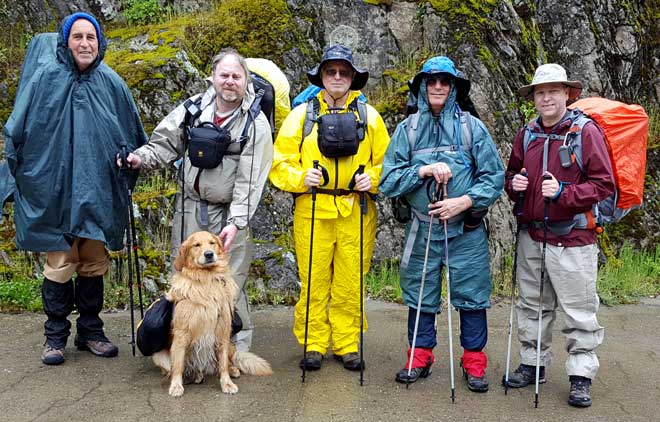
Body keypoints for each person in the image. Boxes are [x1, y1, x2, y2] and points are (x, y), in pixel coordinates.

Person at [3, 12, 147, 365]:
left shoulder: (111, 83)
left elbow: (130, 135)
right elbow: (19, 134)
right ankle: (54, 338)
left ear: (100, 43)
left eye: (91, 38)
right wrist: (26, 176)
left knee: (94, 262)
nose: (85, 44)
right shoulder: (45, 79)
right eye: (78, 37)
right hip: (55, 192)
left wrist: (127, 157)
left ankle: (91, 332)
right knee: (60, 262)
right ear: (66, 42)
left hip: (97, 191)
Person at [123, 48, 273, 353]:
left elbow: (251, 179)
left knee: (230, 282)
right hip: (189, 208)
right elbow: (165, 142)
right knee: (184, 277)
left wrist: (237, 222)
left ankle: (233, 351)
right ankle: (184, 347)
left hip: (229, 215)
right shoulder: (193, 110)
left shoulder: (254, 124)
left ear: (246, 81)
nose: (230, 82)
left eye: (236, 76)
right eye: (224, 75)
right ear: (213, 77)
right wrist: (139, 159)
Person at [379, 56, 504, 391]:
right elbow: (387, 181)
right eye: (431, 81)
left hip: (466, 229)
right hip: (422, 229)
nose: (437, 86)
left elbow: (494, 177)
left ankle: (474, 361)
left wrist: (464, 201)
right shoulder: (408, 130)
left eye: (444, 82)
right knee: (420, 294)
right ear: (422, 86)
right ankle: (419, 356)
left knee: (472, 295)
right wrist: (422, 171)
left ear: (453, 88)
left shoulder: (471, 127)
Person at [269, 44, 390, 371]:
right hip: (312, 209)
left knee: (350, 280)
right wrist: (301, 177)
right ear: (322, 76)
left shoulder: (370, 117)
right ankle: (313, 342)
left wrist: (373, 180)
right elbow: (279, 164)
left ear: (352, 78)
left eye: (344, 72)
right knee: (314, 278)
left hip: (356, 210)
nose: (337, 77)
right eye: (331, 72)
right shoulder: (302, 116)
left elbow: (388, 164)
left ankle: (347, 343)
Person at [503, 63, 615, 407]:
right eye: (541, 92)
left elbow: (603, 184)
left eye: (554, 91)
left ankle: (581, 375)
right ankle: (533, 364)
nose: (547, 97)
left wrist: (563, 193)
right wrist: (514, 185)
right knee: (533, 306)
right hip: (533, 236)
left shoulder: (585, 132)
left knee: (579, 310)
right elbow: (511, 176)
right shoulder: (527, 133)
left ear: (568, 94)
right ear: (533, 98)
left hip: (573, 240)